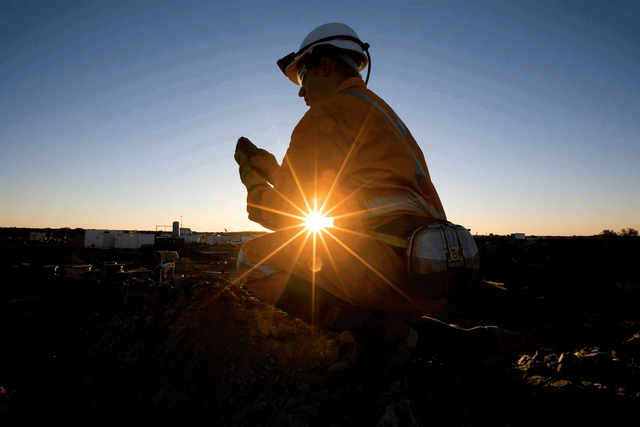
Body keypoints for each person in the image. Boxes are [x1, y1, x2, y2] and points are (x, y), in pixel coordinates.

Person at [234, 23, 496, 374]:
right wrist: (275, 170)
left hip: (387, 268)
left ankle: (376, 337)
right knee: (345, 257)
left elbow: (285, 214)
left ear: (324, 64)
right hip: (434, 271)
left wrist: (253, 186)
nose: (301, 93)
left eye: (302, 78)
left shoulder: (323, 115)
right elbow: (339, 189)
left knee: (253, 260)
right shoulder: (379, 111)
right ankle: (446, 338)